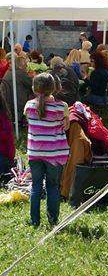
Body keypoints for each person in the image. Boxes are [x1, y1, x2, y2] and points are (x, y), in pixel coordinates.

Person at [24, 72, 69, 227]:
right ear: (54, 87)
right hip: (55, 154)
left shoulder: (29, 106)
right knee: (53, 186)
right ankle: (53, 220)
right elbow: (66, 126)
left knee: (36, 186)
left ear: (34, 88)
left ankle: (34, 220)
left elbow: (30, 121)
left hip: (35, 152)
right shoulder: (61, 107)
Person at [1, 53, 32, 127]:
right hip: (18, 101)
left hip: (7, 101)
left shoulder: (9, 71)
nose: (27, 66)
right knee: (35, 94)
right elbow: (32, 85)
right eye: (26, 64)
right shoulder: (20, 73)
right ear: (22, 65)